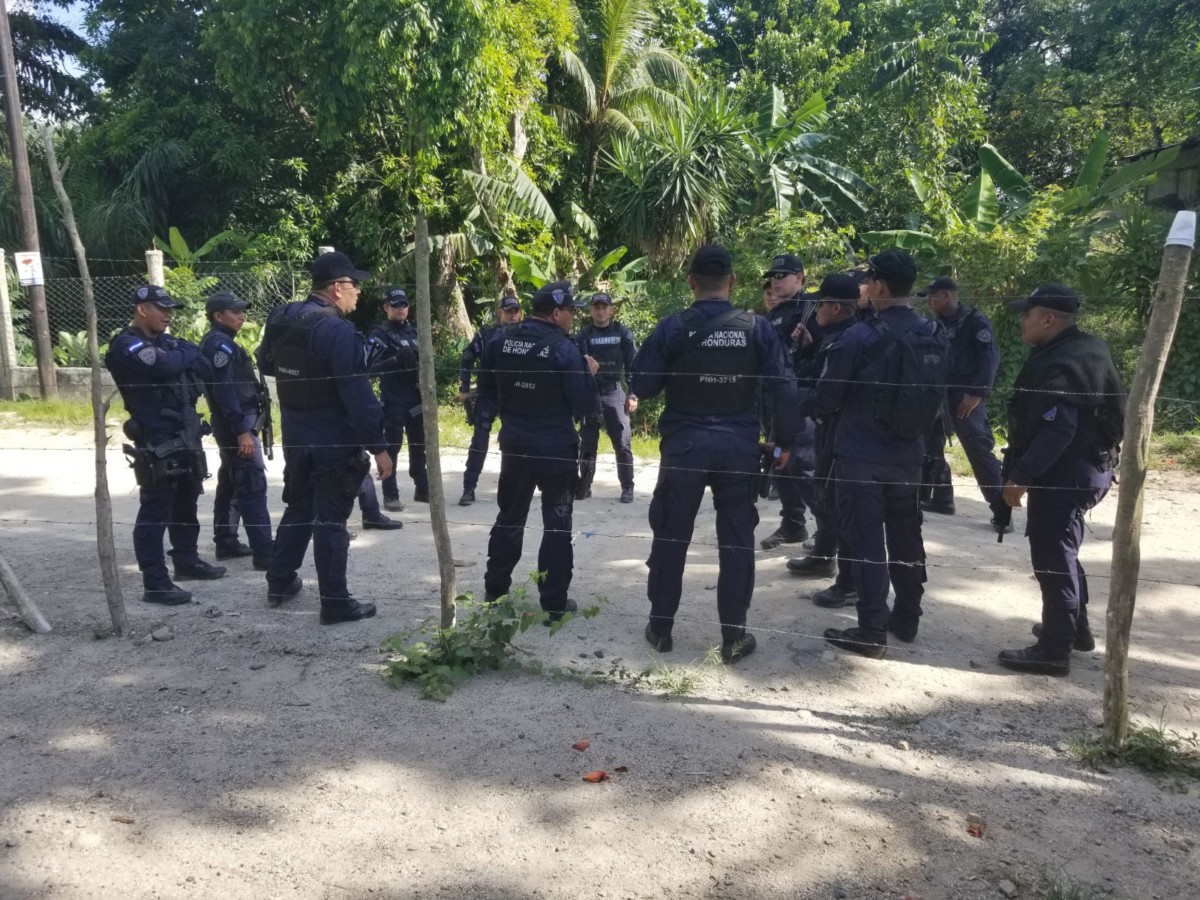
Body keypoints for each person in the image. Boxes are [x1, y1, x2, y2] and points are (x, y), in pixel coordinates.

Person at [630, 245, 799, 664]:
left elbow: (643, 384)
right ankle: (734, 637)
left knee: (671, 537)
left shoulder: (673, 327)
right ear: (733, 282)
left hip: (684, 445)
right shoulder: (758, 329)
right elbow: (784, 387)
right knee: (737, 542)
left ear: (691, 282)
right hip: (738, 447)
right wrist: (785, 441)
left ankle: (662, 628)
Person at [808, 250, 948, 659]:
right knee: (907, 539)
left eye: (869, 282)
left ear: (882, 286)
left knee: (867, 542)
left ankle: (871, 629)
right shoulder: (933, 333)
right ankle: (907, 617)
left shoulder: (861, 336)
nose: (865, 288)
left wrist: (802, 401)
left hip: (861, 458)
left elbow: (828, 397)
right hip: (910, 456)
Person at [256, 251, 393, 624]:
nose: (358, 294)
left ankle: (280, 581)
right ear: (337, 288)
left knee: (299, 507)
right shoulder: (338, 331)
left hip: (297, 433)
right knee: (331, 520)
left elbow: (265, 362)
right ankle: (334, 601)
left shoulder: (283, 317)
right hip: (333, 437)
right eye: (354, 286)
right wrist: (380, 448)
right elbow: (358, 396)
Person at [997, 285, 1123, 676]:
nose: (1022, 319)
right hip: (1085, 467)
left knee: (1052, 555)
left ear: (1048, 319)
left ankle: (1053, 649)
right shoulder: (1082, 348)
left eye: (1027, 313)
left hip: (1067, 472)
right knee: (1063, 549)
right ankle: (1074, 629)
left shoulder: (1065, 362)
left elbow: (1057, 429)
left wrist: (1020, 476)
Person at [477, 281, 599, 620]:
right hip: (556, 448)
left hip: (515, 444)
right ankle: (555, 603)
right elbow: (585, 403)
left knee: (509, 517)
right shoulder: (565, 349)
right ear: (557, 312)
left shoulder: (500, 340)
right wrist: (588, 373)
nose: (573, 318)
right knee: (557, 525)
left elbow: (485, 390)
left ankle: (495, 591)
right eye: (571, 312)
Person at [105, 284, 225, 605]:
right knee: (155, 509)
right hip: (156, 438)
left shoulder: (166, 342)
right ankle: (155, 582)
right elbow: (165, 366)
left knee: (187, 499)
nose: (168, 315)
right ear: (142, 309)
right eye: (163, 309)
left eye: (171, 309)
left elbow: (201, 363)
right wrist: (179, 357)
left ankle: (186, 560)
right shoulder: (127, 344)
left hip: (184, 434)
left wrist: (178, 356)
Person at [784, 276, 861, 602]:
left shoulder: (850, 338)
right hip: (829, 429)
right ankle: (823, 555)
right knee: (824, 493)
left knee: (839, 502)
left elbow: (826, 391)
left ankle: (850, 582)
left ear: (835, 307)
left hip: (841, 431)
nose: (814, 309)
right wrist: (808, 345)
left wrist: (793, 402)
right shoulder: (830, 335)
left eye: (820, 303)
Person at [915, 277, 1006, 529]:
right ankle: (942, 498)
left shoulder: (974, 321)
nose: (929, 302)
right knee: (931, 445)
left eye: (932, 296)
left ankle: (1002, 509)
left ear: (946, 295)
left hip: (966, 396)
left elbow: (990, 359)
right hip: (939, 394)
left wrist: (977, 394)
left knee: (977, 449)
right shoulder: (937, 324)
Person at [198, 290, 274, 569]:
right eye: (235, 312)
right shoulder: (220, 345)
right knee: (252, 483)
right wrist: (243, 430)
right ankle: (265, 551)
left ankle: (226, 540)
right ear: (218, 316)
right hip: (236, 425)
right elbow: (224, 391)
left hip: (238, 423)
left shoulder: (224, 342)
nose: (242, 316)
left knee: (231, 483)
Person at [759, 254, 819, 550]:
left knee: (802, 464)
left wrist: (811, 344)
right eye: (773, 276)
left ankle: (827, 527)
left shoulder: (813, 309)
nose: (776, 281)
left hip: (802, 402)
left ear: (800, 277)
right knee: (780, 461)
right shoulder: (773, 315)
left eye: (783, 275)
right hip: (776, 403)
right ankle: (793, 524)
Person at [366, 286, 429, 509]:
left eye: (404, 304)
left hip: (417, 397)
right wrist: (394, 362)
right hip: (393, 400)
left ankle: (422, 487)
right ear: (386, 307)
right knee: (392, 447)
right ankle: (390, 494)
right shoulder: (379, 334)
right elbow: (368, 369)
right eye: (395, 305)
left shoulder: (415, 333)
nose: (401, 309)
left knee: (419, 445)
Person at [458, 294, 524, 506]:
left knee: (515, 441)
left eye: (515, 311)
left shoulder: (527, 334)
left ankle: (513, 487)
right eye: (508, 312)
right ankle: (469, 487)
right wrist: (464, 388)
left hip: (514, 394)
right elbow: (467, 357)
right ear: (500, 312)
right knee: (480, 440)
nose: (512, 316)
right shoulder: (486, 335)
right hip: (488, 393)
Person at [574, 291, 638, 503]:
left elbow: (633, 366)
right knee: (587, 443)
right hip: (590, 394)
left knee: (622, 442)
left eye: (604, 307)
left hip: (614, 393)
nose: (600, 311)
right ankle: (585, 486)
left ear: (611, 310)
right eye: (597, 307)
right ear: (591, 310)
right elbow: (576, 368)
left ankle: (627, 487)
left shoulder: (622, 332)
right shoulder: (583, 335)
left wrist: (633, 394)